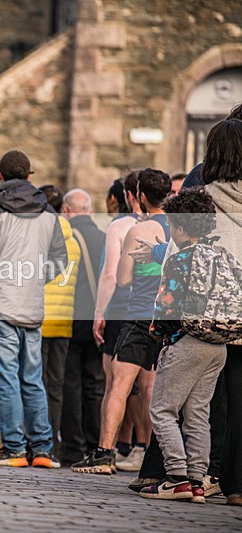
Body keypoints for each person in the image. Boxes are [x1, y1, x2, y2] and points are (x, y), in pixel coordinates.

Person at [0, 150, 68, 468]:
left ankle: (13, 447)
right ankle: (41, 449)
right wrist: (35, 280)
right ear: (29, 176)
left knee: (6, 378)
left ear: (0, 176)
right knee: (32, 377)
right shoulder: (48, 214)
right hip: (31, 305)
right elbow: (60, 261)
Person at [73, 168, 171, 475]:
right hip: (169, 315)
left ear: (140, 196)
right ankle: (153, 457)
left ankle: (104, 453)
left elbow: (123, 277)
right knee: (152, 388)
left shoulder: (136, 231)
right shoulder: (180, 227)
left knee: (118, 384)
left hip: (139, 313)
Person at [138, 188, 226, 503]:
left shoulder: (181, 258)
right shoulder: (222, 256)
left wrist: (156, 333)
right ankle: (197, 481)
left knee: (162, 409)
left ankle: (175, 476)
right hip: (218, 345)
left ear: (180, 227)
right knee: (198, 414)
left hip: (186, 341)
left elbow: (166, 306)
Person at [200, 118, 242, 506]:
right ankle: (237, 484)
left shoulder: (205, 198)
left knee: (210, 396)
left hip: (214, 315)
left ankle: (208, 472)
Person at [58, 189, 106, 466]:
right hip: (99, 322)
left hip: (72, 320)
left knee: (70, 383)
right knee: (95, 385)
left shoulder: (66, 240)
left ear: (66, 210)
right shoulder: (104, 236)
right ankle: (94, 443)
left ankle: (73, 447)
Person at [38, 185, 80, 460]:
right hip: (64, 323)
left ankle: (39, 441)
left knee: (35, 384)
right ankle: (53, 443)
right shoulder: (74, 242)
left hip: (40, 322)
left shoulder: (42, 240)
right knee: (56, 386)